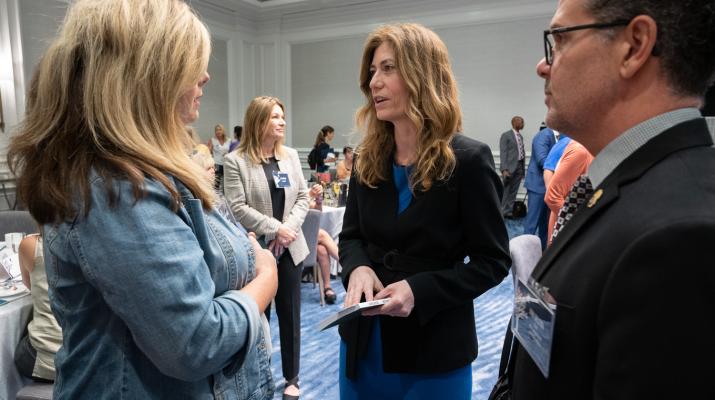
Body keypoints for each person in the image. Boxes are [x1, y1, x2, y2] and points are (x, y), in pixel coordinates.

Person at [6, 1, 279, 399]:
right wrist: (265, 278)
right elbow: (195, 343)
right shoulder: (115, 187)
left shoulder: (150, 170)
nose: (205, 76)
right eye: (190, 63)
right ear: (148, 74)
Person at [500, 0, 715, 398]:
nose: (543, 66)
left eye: (560, 40)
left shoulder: (680, 239)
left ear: (633, 46)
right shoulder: (627, 187)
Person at [339, 23, 510, 399]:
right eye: (372, 72)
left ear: (422, 75)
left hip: (433, 351)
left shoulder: (468, 160)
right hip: (363, 347)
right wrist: (359, 268)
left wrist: (421, 290)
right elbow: (350, 236)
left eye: (388, 69)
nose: (374, 83)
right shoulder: (368, 158)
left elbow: (492, 261)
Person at [223, 96, 309, 400]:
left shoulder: (290, 157)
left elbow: (303, 198)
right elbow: (237, 207)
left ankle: (292, 378)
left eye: (282, 116)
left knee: (290, 314)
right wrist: (275, 229)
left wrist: (287, 232)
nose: (282, 122)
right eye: (275, 117)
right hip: (256, 250)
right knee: (258, 317)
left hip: (290, 249)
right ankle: (258, 373)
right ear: (258, 121)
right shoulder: (236, 162)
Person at [13, 234, 62, 382]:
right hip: (93, 355)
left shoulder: (30, 245)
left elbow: (29, 286)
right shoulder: (96, 243)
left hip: (49, 361)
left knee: (16, 337)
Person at [543, 139, 593, 244]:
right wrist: (580, 223)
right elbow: (552, 196)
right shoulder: (580, 151)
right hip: (567, 234)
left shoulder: (590, 148)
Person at [522, 126, 557, 248]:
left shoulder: (558, 136)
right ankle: (525, 253)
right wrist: (563, 168)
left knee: (546, 223)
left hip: (549, 185)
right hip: (538, 185)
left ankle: (543, 254)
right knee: (532, 222)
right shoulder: (543, 135)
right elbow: (542, 160)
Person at [306, 184, 339, 304]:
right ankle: (346, 262)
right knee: (322, 234)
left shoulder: (299, 189)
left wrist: (318, 201)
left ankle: (327, 287)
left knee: (322, 249)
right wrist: (309, 195)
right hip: (287, 237)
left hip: (304, 240)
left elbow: (316, 212)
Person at [499, 116, 526, 218]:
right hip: (509, 168)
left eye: (523, 122)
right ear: (514, 122)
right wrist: (504, 169)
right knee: (506, 191)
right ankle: (501, 213)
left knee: (514, 191)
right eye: (521, 121)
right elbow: (503, 152)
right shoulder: (506, 135)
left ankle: (509, 212)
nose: (523, 123)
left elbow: (521, 153)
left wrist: (523, 171)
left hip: (519, 167)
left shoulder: (520, 137)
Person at [207, 123, 230, 189]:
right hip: (217, 164)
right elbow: (208, 152)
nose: (218, 131)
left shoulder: (229, 140)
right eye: (216, 130)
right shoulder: (212, 140)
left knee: (226, 184)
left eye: (220, 130)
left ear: (223, 131)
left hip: (226, 163)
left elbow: (232, 152)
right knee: (216, 184)